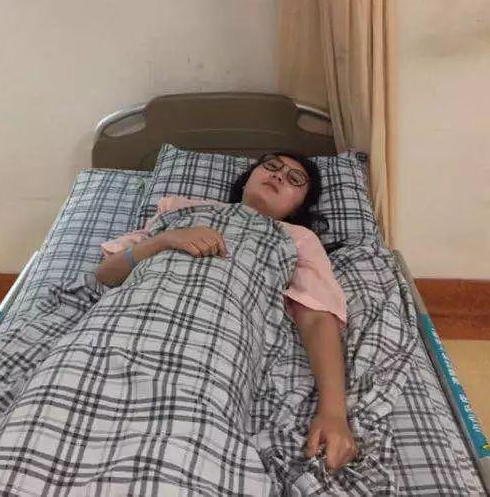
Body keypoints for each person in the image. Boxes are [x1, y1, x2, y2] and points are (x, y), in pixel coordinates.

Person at [96, 151, 358, 473]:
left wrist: (333, 414)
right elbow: (106, 274)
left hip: (214, 342)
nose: (278, 175)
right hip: (124, 322)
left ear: (298, 206)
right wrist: (165, 240)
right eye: (271, 166)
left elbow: (317, 318)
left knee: (180, 450)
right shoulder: (181, 210)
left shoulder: (297, 238)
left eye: (294, 179)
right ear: (248, 178)